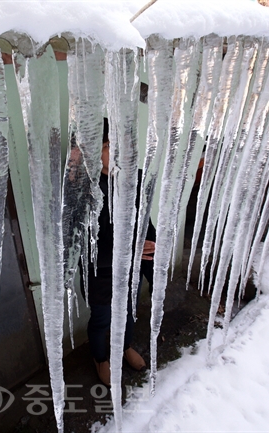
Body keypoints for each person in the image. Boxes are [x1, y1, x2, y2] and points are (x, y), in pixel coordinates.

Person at [86, 119, 156, 386]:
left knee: (128, 310)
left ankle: (125, 347)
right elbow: (85, 245)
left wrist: (152, 259)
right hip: (101, 271)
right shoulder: (83, 189)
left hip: (132, 267)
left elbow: (145, 221)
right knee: (102, 317)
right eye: (106, 145)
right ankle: (100, 358)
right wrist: (129, 250)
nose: (114, 150)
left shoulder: (134, 176)